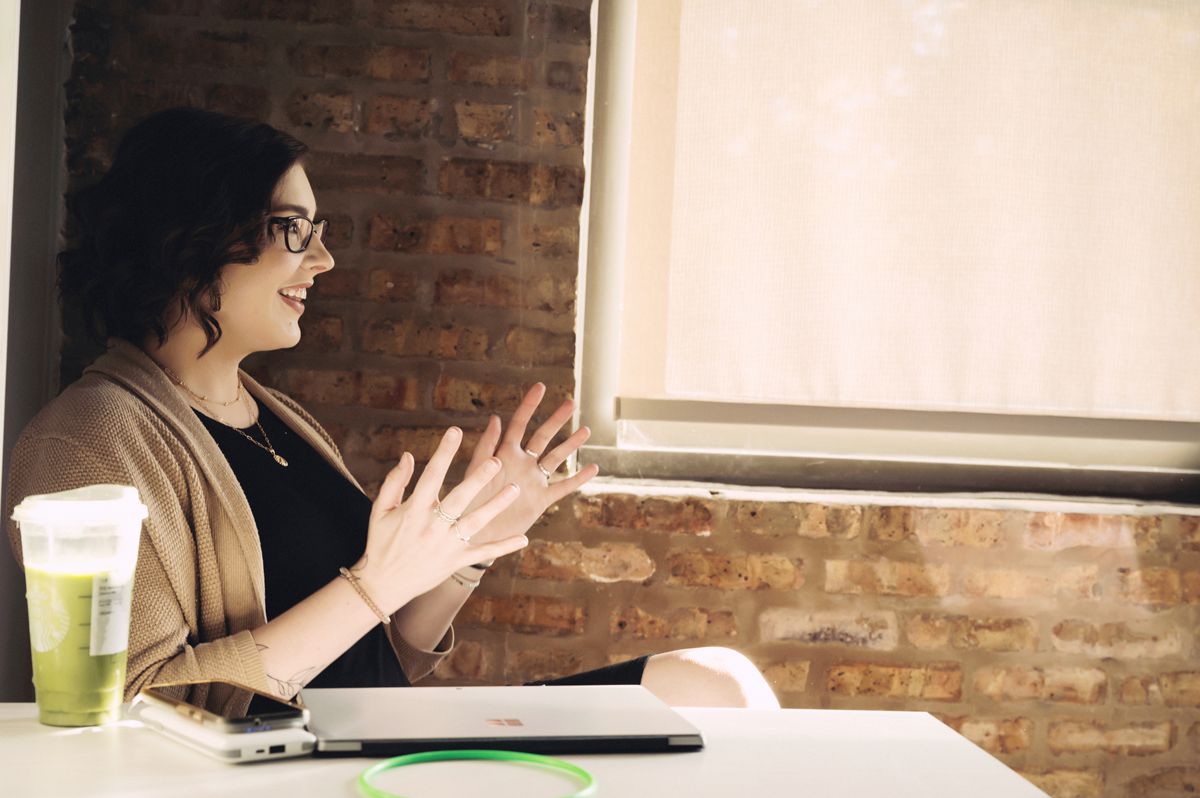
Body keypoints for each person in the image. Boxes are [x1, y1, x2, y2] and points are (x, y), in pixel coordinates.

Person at [6, 107, 779, 711]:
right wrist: (373, 585)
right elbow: (136, 711)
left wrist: (467, 547)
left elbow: (381, 661)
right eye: (292, 231)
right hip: (306, 769)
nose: (323, 259)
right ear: (196, 238)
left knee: (717, 682)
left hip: (376, 734)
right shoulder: (86, 443)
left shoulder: (271, 415)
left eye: (320, 233)